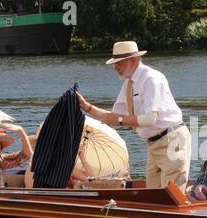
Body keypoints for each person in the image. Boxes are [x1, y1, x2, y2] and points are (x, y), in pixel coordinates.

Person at [78, 40, 190, 190]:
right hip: (155, 143)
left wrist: (119, 120)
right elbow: (113, 117)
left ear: (133, 61)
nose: (116, 68)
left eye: (119, 64)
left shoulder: (151, 79)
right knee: (153, 195)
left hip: (172, 140)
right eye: (114, 64)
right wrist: (87, 107)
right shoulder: (129, 83)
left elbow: (150, 119)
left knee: (171, 196)